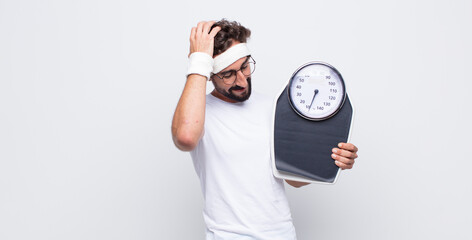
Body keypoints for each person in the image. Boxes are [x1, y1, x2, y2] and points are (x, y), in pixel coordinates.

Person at [171, 19, 359, 240]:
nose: (242, 79)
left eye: (244, 66)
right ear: (210, 74)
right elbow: (185, 137)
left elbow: (294, 178)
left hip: (282, 234)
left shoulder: (275, 107)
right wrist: (198, 61)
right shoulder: (198, 113)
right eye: (228, 74)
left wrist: (333, 159)